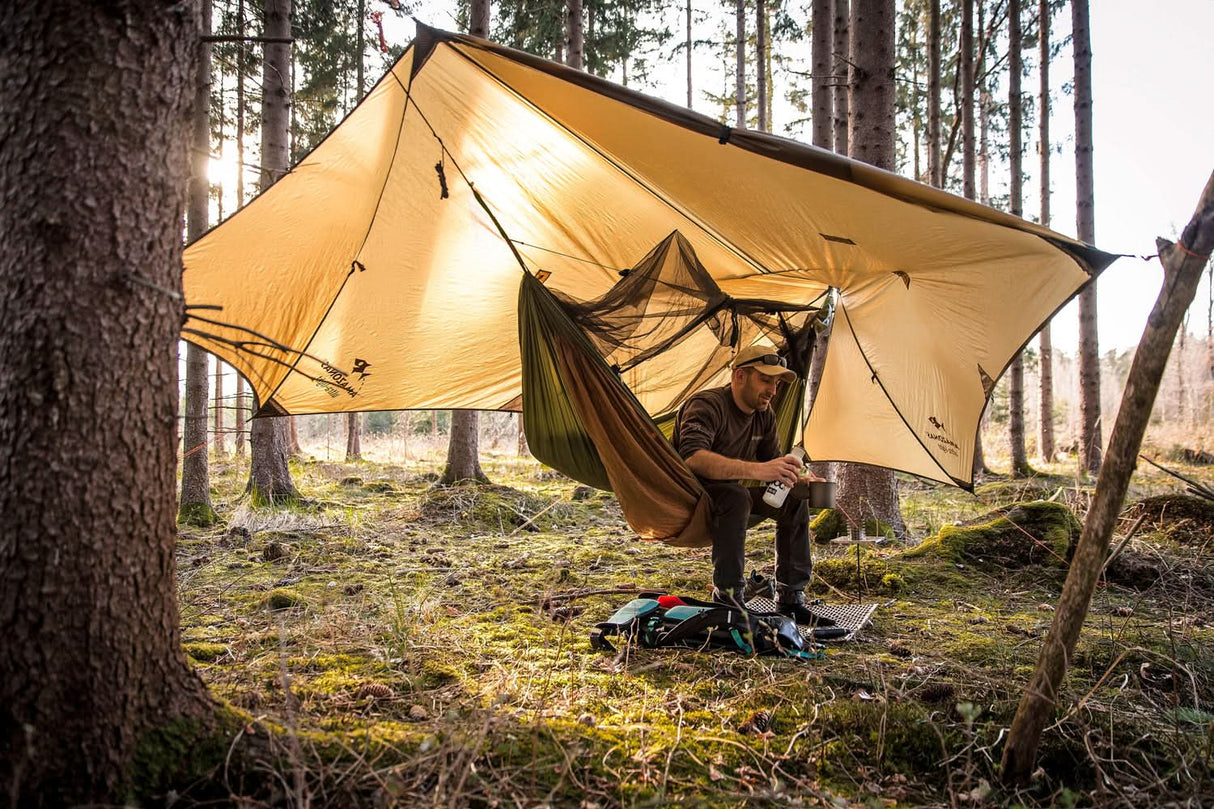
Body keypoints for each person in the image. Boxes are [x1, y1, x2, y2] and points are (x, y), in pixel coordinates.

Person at [674, 344, 822, 623]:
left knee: (792, 501)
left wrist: (800, 479)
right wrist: (761, 470)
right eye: (765, 380)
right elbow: (693, 459)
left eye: (776, 383)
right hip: (691, 498)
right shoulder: (706, 405)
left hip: (733, 494)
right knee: (736, 495)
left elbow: (773, 465)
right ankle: (729, 598)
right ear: (739, 376)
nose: (773, 391)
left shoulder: (764, 415)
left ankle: (790, 597)